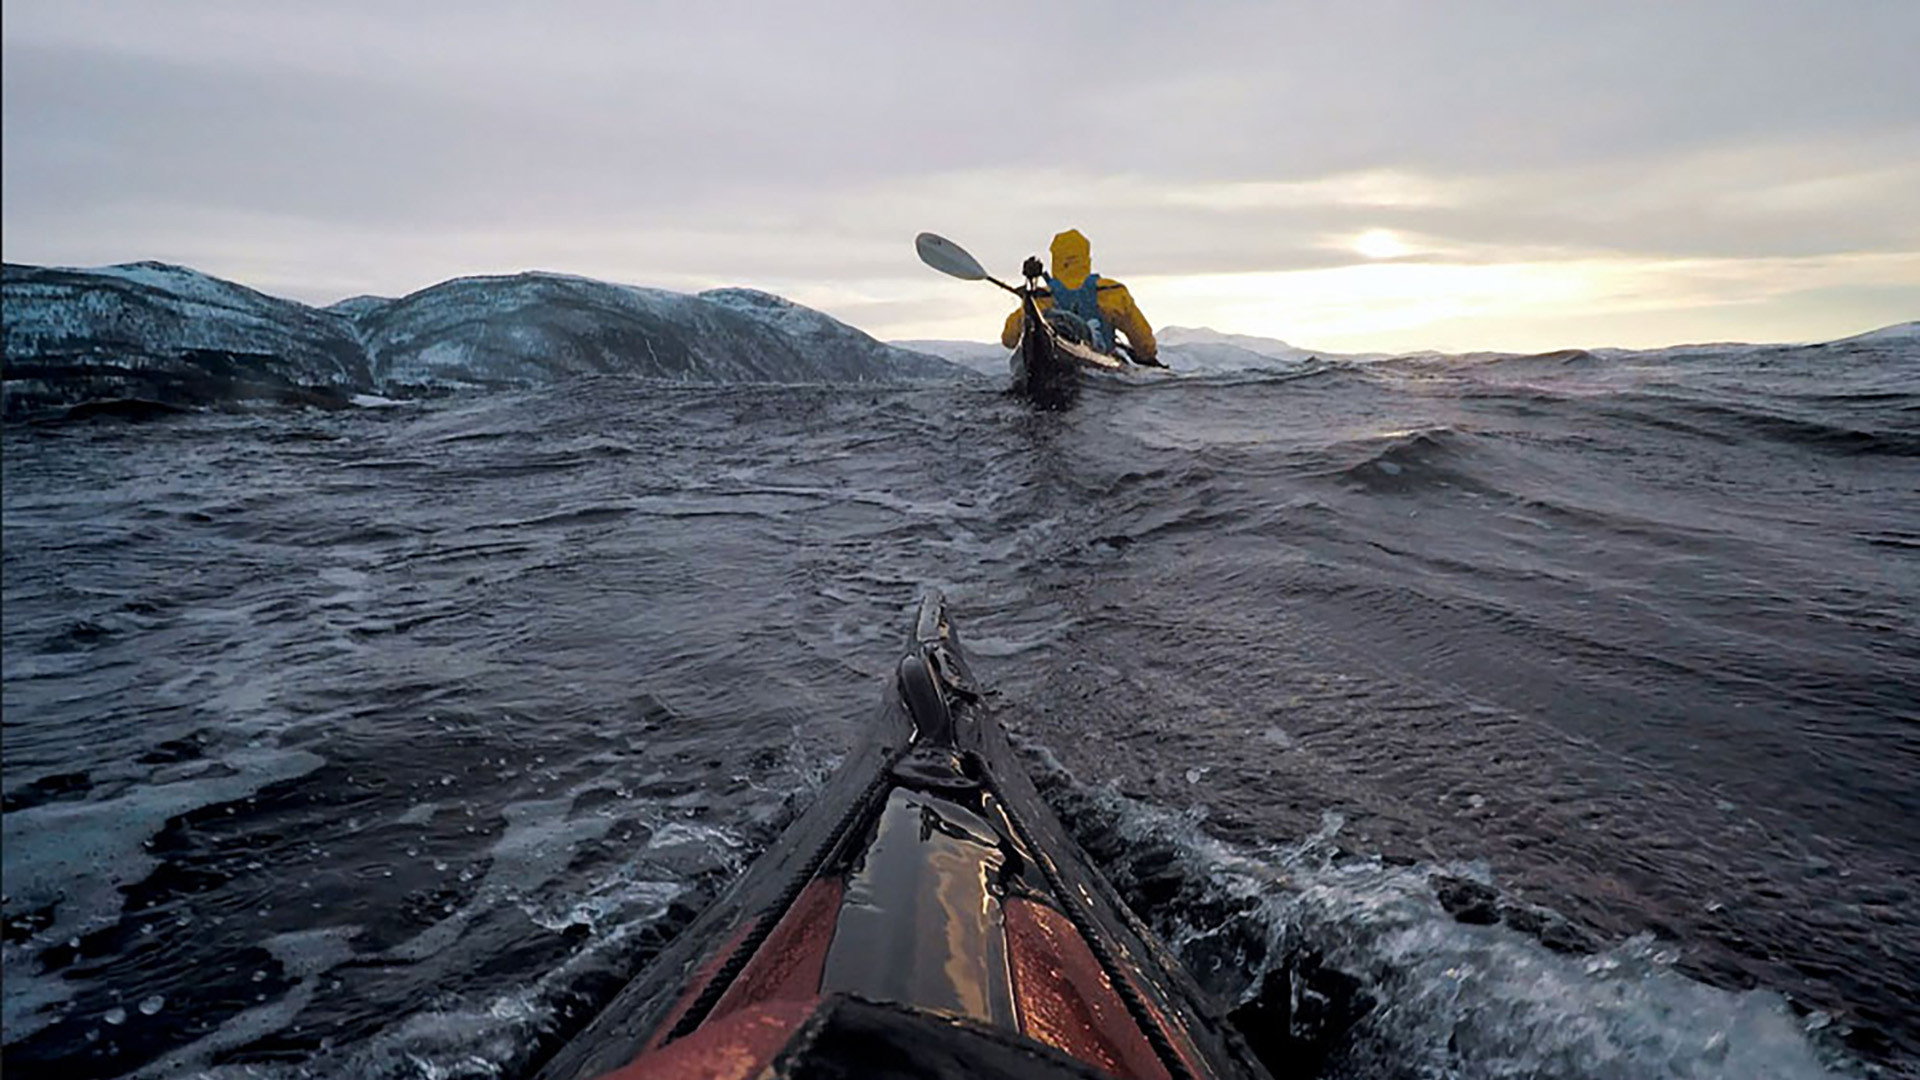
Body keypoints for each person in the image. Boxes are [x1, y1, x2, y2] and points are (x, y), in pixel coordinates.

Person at [1000, 229, 1161, 366]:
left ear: (1055, 259)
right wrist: (1147, 357)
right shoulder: (1112, 292)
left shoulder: (1041, 298)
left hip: (1052, 361)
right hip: (1100, 368)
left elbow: (1009, 339)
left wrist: (1027, 301)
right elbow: (1145, 345)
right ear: (1086, 258)